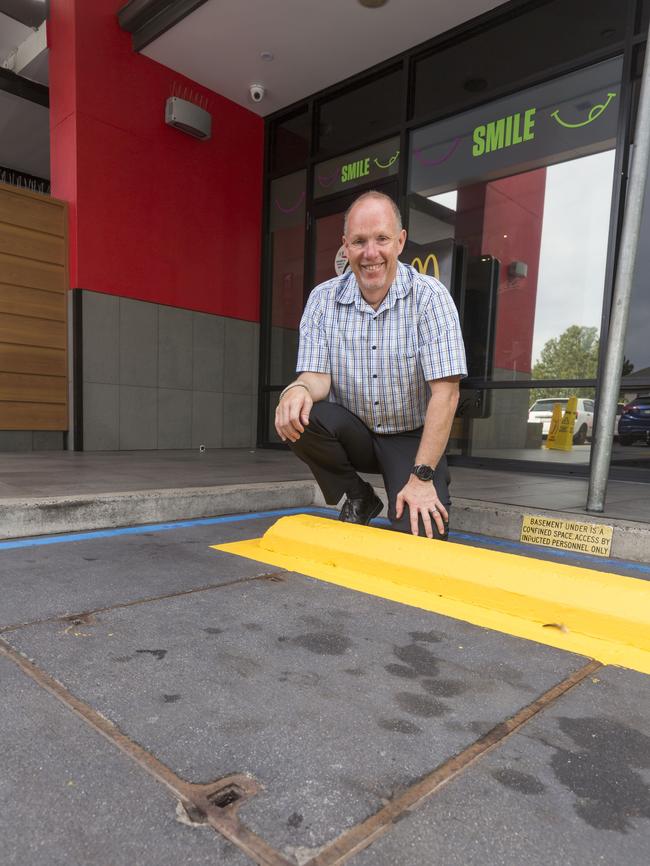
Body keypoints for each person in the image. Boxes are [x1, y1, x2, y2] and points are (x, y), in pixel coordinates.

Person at [275, 190, 467, 539]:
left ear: (400, 242)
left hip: (411, 438)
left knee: (422, 535)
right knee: (301, 413)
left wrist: (422, 478)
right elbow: (316, 377)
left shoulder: (431, 298)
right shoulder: (323, 299)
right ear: (345, 247)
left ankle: (421, 479)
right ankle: (360, 496)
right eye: (359, 241)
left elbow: (446, 395)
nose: (370, 253)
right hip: (356, 432)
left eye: (382, 239)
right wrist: (298, 389)